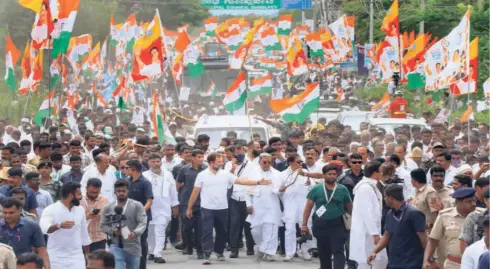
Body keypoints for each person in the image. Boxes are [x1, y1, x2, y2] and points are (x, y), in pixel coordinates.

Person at [186, 153, 271, 265]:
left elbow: (242, 181)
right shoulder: (202, 175)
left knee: (222, 231)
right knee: (207, 231)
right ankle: (207, 254)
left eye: (222, 161)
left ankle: (219, 252)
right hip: (207, 208)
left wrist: (259, 182)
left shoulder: (226, 174)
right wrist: (189, 207)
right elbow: (195, 191)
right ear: (211, 162)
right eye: (219, 162)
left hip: (222, 208)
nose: (221, 164)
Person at [301, 164, 352, 269]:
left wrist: (354, 221)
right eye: (329, 174)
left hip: (338, 224)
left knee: (338, 250)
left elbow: (350, 206)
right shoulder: (317, 189)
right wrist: (304, 225)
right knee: (324, 252)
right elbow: (308, 208)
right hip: (320, 224)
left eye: (334, 174)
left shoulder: (342, 189)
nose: (332, 176)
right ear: (324, 175)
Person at [368, 184, 427, 269]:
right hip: (394, 263)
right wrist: (374, 252)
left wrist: (429, 259)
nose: (384, 199)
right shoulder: (390, 214)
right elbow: (386, 235)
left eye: (385, 197)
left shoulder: (414, 214)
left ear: (391, 198)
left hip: (412, 264)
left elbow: (424, 238)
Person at [423, 188, 483, 269]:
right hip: (454, 264)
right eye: (469, 201)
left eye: (474, 200)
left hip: (478, 263)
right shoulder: (445, 216)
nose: (473, 204)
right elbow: (433, 240)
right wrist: (428, 259)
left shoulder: (483, 215)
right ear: (458, 202)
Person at [39, 181, 91, 269]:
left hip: (77, 257)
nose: (81, 198)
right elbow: (44, 228)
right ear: (71, 195)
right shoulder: (51, 209)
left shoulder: (80, 210)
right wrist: (59, 226)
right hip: (55, 257)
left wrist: (88, 255)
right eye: (78, 194)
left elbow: (84, 235)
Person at [100, 180, 148, 269]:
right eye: (119, 191)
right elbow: (103, 225)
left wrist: (135, 232)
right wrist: (112, 232)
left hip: (133, 245)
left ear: (128, 191)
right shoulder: (108, 207)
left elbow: (143, 222)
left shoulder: (137, 205)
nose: (121, 193)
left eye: (123, 191)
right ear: (115, 192)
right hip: (115, 244)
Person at [349, 161, 388, 269]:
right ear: (375, 173)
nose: (383, 174)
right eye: (381, 171)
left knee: (380, 261)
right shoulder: (365, 188)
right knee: (367, 262)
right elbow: (367, 213)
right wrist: (374, 233)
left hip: (372, 230)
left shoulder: (371, 186)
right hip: (367, 232)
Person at [245, 153, 282, 262]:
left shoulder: (277, 174)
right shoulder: (253, 173)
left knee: (271, 230)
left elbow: (279, 190)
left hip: (272, 207)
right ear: (260, 162)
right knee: (255, 231)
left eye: (269, 162)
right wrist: (249, 204)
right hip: (257, 207)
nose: (266, 164)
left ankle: (269, 252)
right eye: (264, 162)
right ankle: (263, 247)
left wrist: (279, 190)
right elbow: (247, 191)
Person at [142, 154, 179, 264]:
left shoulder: (167, 174)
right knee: (150, 232)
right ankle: (152, 251)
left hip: (164, 207)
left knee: (160, 230)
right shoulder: (144, 175)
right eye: (153, 161)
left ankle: (158, 253)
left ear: (161, 162)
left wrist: (175, 205)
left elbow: (173, 190)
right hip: (149, 207)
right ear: (149, 163)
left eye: (158, 161)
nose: (156, 164)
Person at [225, 147, 257, 258]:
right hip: (234, 198)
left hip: (246, 197)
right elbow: (227, 179)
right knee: (234, 224)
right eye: (237, 152)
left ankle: (250, 247)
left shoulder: (251, 165)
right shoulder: (228, 164)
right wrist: (233, 167)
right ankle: (234, 249)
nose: (239, 155)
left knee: (248, 224)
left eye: (241, 152)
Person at [279, 154, 312, 261]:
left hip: (303, 205)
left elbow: (313, 186)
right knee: (289, 228)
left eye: (301, 162)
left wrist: (309, 182)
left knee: (306, 227)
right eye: (298, 162)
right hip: (289, 205)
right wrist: (281, 190)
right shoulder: (283, 175)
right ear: (290, 163)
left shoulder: (305, 173)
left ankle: (305, 250)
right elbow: (277, 190)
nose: (301, 164)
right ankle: (290, 252)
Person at [0, 197, 49, 268]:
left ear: (19, 211)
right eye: (5, 212)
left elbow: (42, 249)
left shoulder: (32, 226)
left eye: (11, 213)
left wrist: (47, 267)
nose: (7, 216)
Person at [177, 149, 206, 258]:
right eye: (198, 157)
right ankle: (189, 246)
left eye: (202, 157)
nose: (201, 159)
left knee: (199, 228)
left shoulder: (206, 169)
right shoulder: (184, 170)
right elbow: (178, 184)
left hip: (201, 202)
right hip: (185, 202)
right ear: (193, 158)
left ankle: (200, 250)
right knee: (187, 227)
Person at [126, 160, 153, 269]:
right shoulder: (127, 182)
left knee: (141, 242)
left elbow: (149, 201)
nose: (124, 169)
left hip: (141, 218)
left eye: (126, 167)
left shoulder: (145, 183)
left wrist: (141, 212)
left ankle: (142, 266)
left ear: (134, 169)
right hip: (128, 218)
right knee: (128, 241)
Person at [80, 178, 110, 252]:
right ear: (86, 188)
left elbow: (109, 218)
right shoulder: (79, 200)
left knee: (99, 263)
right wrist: (86, 217)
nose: (94, 194)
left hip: (99, 239)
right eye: (92, 192)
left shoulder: (104, 200)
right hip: (82, 239)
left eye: (97, 192)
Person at [409, 168, 442, 233]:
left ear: (414, 180)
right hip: (416, 229)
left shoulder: (430, 193)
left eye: (411, 179)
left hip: (427, 230)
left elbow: (437, 212)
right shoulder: (416, 191)